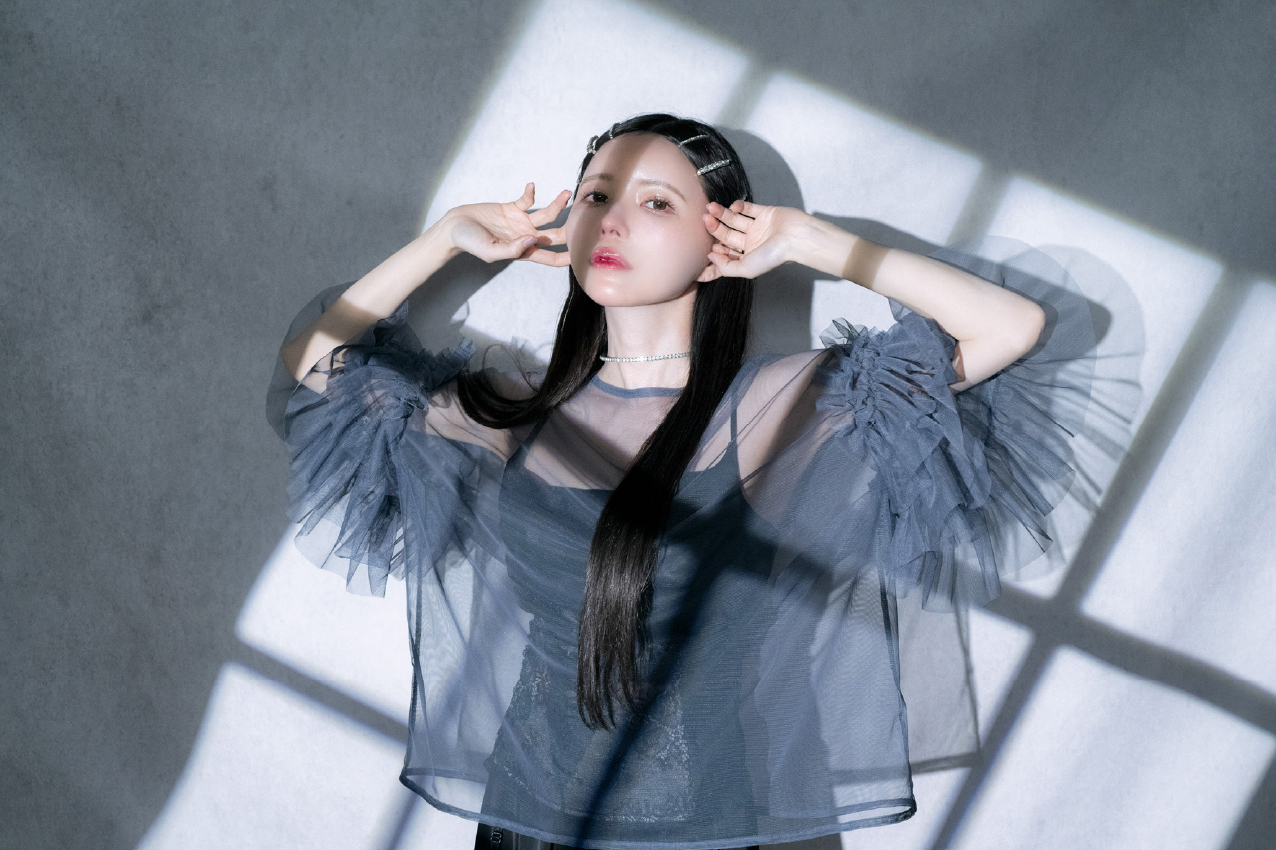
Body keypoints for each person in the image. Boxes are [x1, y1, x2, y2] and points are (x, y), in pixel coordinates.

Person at [267, 113, 1103, 850]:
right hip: (529, 822)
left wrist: (813, 244)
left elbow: (1010, 326)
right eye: (597, 195)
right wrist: (446, 237)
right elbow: (314, 360)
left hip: (705, 828)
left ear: (720, 238)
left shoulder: (771, 406)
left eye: (656, 202)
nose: (612, 219)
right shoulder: (509, 410)